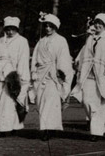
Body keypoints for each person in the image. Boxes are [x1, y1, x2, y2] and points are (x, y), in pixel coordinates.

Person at [71, 13, 105, 142]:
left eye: (101, 23)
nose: (98, 25)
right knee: (86, 101)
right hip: (88, 75)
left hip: (101, 76)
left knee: (99, 104)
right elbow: (84, 54)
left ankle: (96, 131)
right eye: (96, 22)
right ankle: (100, 124)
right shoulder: (90, 38)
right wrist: (79, 65)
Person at [0, 16, 30, 138]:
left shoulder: (22, 41)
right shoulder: (0, 41)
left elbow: (23, 60)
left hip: (11, 75)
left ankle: (2, 129)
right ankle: (15, 125)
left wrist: (21, 77)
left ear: (17, 29)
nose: (10, 32)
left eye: (13, 29)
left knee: (7, 103)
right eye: (8, 29)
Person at [31, 13, 73, 141]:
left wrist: (61, 73)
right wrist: (34, 71)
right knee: (41, 101)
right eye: (46, 26)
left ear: (55, 27)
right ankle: (51, 126)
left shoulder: (61, 40)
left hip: (53, 74)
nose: (48, 29)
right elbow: (35, 58)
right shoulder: (41, 41)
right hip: (41, 74)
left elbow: (64, 58)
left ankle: (47, 129)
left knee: (50, 101)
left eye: (51, 26)